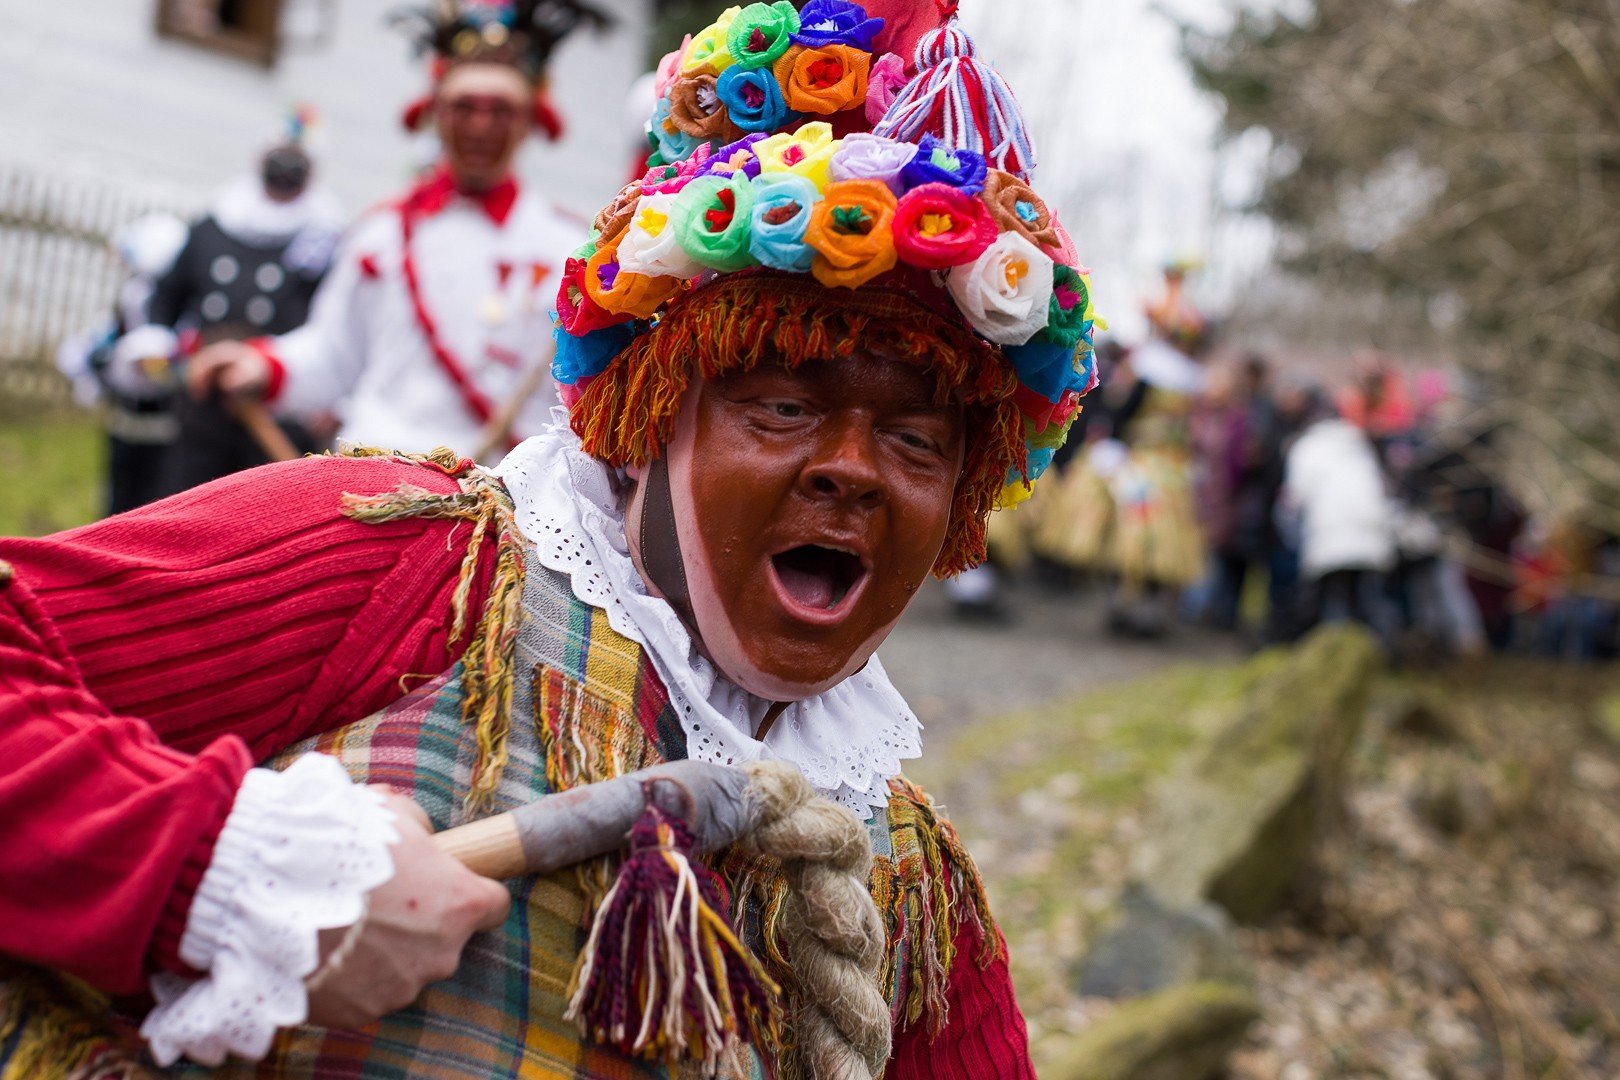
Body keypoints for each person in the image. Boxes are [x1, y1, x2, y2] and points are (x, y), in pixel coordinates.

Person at [0, 0, 1098, 1075]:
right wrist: (215, 869)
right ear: (650, 417)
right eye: (781, 407)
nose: (852, 470)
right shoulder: (397, 560)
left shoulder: (918, 897)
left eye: (915, 442)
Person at [185, 0, 607, 462]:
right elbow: (332, 353)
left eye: (501, 110)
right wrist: (262, 365)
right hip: (375, 473)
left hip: (506, 488)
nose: (480, 125)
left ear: (530, 120)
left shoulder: (568, 247)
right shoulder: (381, 233)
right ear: (435, 113)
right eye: (464, 107)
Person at [126, 120, 345, 493]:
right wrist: (158, 347)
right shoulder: (215, 225)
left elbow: (341, 330)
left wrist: (334, 399)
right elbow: (167, 296)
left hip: (280, 414)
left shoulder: (328, 241)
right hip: (203, 404)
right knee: (186, 503)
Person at [53, 213, 189, 514]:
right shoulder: (136, 295)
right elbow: (97, 346)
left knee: (155, 500)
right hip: (128, 417)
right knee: (123, 498)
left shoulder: (174, 303)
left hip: (166, 422)